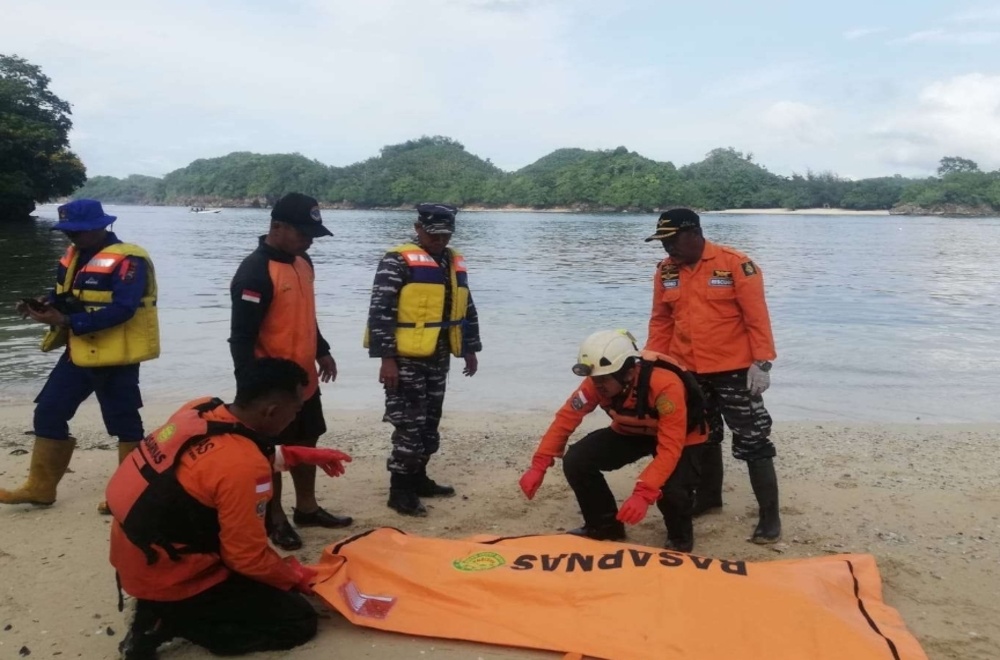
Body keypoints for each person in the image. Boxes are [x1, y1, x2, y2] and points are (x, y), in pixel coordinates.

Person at [108, 357, 352, 659]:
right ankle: (173, 620)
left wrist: (297, 454)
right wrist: (296, 576)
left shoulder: (200, 409)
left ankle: (160, 608)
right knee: (297, 621)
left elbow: (214, 457)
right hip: (173, 573)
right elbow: (247, 558)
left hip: (136, 552)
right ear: (272, 411)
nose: (295, 418)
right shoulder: (244, 467)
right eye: (296, 409)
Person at [2, 199, 159, 511]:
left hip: (117, 357)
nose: (71, 237)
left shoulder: (130, 260)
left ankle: (131, 496)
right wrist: (41, 304)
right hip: (79, 351)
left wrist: (65, 321)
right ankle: (40, 487)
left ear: (101, 226)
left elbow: (124, 309)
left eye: (78, 231)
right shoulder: (75, 254)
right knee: (48, 411)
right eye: (67, 231)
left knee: (124, 424)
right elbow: (64, 295)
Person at [643, 208, 781, 544]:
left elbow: (756, 317)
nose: (667, 250)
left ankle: (770, 517)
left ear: (693, 234)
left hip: (735, 371)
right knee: (703, 437)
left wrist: (762, 362)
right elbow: (661, 321)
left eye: (671, 241)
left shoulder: (734, 264)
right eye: (662, 243)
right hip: (688, 371)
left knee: (752, 439)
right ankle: (708, 498)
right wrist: (652, 363)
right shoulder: (665, 272)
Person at [229, 192, 350, 551]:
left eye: (312, 235)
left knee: (306, 441)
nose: (309, 241)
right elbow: (241, 336)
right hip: (271, 385)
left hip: (303, 381)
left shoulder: (303, 262)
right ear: (277, 226)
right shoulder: (254, 272)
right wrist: (250, 389)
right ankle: (275, 517)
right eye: (303, 233)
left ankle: (307, 509)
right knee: (271, 453)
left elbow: (304, 313)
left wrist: (323, 350)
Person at [518, 330, 707, 551]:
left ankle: (679, 539)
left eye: (603, 379)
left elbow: (670, 449)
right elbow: (566, 418)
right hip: (632, 431)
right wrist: (540, 463)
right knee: (577, 460)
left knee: (672, 490)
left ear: (627, 373)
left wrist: (643, 494)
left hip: (682, 438)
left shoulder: (665, 386)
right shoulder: (596, 382)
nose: (597, 385)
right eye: (594, 378)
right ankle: (604, 526)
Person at [365, 203, 482, 517]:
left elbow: (466, 307)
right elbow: (380, 311)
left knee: (430, 421)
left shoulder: (451, 261)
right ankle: (399, 489)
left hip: (439, 355)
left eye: (445, 234)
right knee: (408, 423)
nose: (439, 240)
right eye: (433, 234)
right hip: (405, 358)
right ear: (418, 228)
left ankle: (418, 478)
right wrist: (386, 359)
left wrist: (470, 348)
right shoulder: (396, 261)